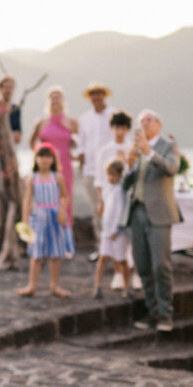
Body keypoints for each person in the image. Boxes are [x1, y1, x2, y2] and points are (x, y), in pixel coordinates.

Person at [123, 110, 182, 333]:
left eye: (148, 120)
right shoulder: (136, 150)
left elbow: (171, 168)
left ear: (159, 123)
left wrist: (149, 153)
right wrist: (129, 166)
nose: (144, 124)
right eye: (140, 121)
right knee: (144, 267)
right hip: (136, 212)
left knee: (161, 266)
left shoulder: (168, 146)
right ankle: (153, 311)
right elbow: (125, 184)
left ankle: (166, 314)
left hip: (159, 214)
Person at [16, 144, 73, 298]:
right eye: (41, 156)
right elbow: (27, 201)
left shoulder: (57, 177)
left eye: (48, 156)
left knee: (55, 254)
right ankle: (31, 285)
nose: (45, 160)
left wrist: (62, 210)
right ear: (36, 158)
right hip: (38, 218)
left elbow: (65, 196)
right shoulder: (32, 179)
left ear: (53, 159)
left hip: (55, 217)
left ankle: (54, 286)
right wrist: (25, 221)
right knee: (36, 254)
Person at [94, 111, 140, 292]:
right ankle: (118, 274)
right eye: (116, 128)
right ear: (111, 129)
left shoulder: (131, 149)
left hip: (126, 200)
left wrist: (125, 160)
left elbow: (133, 175)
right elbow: (99, 179)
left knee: (127, 240)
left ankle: (134, 274)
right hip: (109, 197)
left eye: (122, 128)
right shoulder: (105, 150)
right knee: (111, 238)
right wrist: (100, 201)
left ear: (127, 130)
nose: (119, 131)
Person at [29, 86, 79, 239]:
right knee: (45, 199)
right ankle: (45, 236)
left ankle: (65, 238)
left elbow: (80, 143)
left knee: (65, 198)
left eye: (58, 97)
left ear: (62, 100)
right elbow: (32, 143)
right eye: (52, 97)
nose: (55, 100)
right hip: (46, 166)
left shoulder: (71, 122)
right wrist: (41, 158)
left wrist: (75, 154)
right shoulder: (41, 122)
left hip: (65, 164)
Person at [76, 82, 117, 261]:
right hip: (91, 171)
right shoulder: (84, 119)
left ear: (104, 96)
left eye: (99, 93)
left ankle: (116, 249)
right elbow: (81, 145)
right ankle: (101, 249)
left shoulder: (114, 115)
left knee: (113, 208)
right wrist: (81, 166)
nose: (96, 97)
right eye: (93, 94)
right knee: (96, 210)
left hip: (112, 172)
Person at [93, 159, 131, 299]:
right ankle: (97, 285)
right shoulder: (107, 188)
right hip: (107, 229)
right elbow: (106, 208)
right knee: (103, 256)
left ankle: (127, 286)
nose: (111, 178)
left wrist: (114, 229)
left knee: (121, 259)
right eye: (109, 174)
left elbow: (119, 211)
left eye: (114, 175)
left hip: (117, 230)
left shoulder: (121, 190)